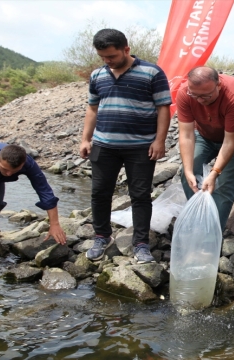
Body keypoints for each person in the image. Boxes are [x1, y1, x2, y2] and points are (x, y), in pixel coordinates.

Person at [79, 29, 171, 263]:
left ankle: (141, 244)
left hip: (140, 147)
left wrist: (159, 140)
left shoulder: (152, 72)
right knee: (100, 193)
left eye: (112, 56)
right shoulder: (98, 75)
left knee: (140, 195)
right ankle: (101, 236)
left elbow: (163, 108)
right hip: (104, 145)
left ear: (126, 49)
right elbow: (92, 108)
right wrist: (85, 139)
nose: (107, 61)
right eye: (103, 57)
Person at [177, 67, 234, 232]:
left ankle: (212, 231)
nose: (200, 100)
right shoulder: (184, 93)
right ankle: (198, 217)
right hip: (204, 135)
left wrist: (214, 172)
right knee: (187, 174)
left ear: (218, 85)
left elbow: (229, 142)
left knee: (224, 185)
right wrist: (188, 170)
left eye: (205, 95)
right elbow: (187, 135)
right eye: (194, 95)